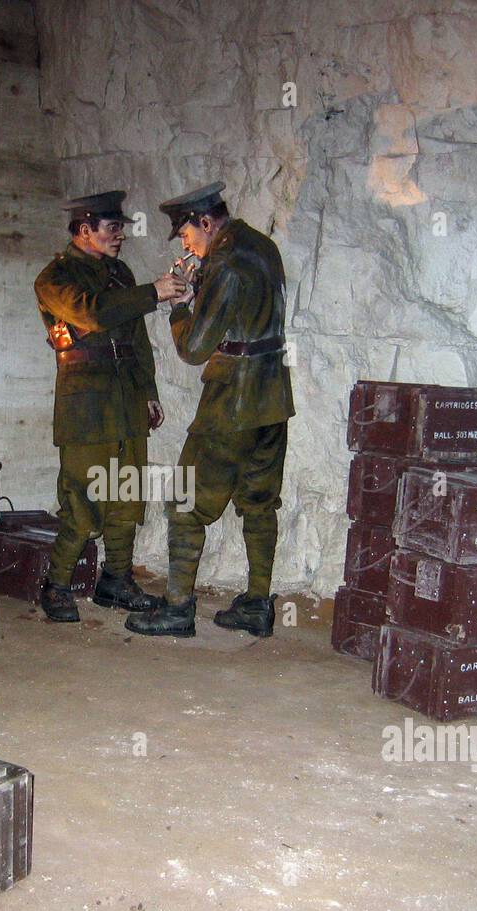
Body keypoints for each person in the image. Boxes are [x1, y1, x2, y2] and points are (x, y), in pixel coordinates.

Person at [126, 182, 293, 639]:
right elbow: (248, 313)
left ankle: (177, 609)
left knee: (184, 504)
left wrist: (181, 307)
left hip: (231, 404)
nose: (187, 245)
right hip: (273, 399)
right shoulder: (263, 246)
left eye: (186, 235)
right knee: (259, 504)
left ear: (205, 221)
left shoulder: (223, 260)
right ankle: (258, 604)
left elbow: (196, 349)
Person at [33, 190, 188, 622]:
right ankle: (57, 585)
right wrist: (153, 292)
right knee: (83, 499)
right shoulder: (55, 278)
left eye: (120, 226)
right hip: (85, 403)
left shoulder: (120, 273)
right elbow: (94, 314)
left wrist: (150, 392)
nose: (120, 234)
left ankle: (116, 580)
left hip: (126, 400)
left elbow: (135, 338)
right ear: (85, 230)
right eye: (112, 227)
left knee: (126, 494)